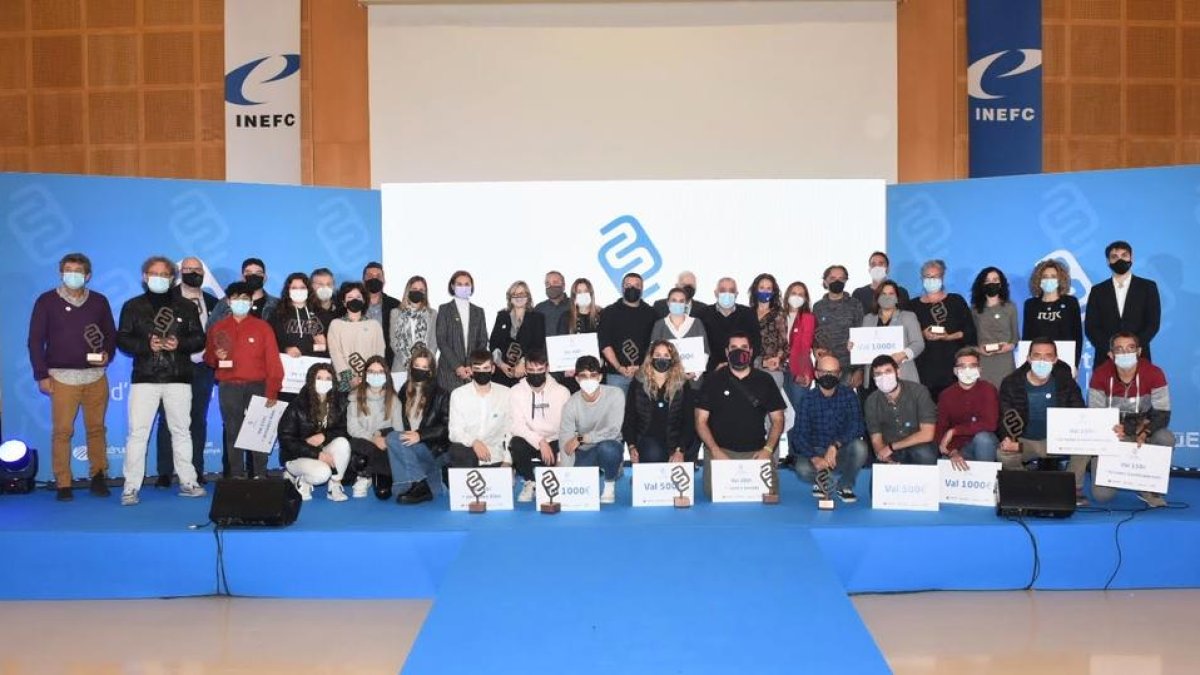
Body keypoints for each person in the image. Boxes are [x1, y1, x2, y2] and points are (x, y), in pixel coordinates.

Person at [115, 256, 207, 505]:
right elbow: (122, 339)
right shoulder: (132, 306)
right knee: (137, 434)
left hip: (179, 376)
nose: (159, 278)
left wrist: (181, 344)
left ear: (172, 278)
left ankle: (188, 481)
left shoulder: (187, 307)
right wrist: (146, 345)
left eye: (164, 274)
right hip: (144, 377)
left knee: (181, 432)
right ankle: (130, 487)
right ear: (145, 277)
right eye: (153, 273)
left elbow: (200, 339)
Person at [28, 252, 117, 501]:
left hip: (95, 376)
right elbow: (35, 341)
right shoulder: (46, 301)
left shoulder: (99, 301)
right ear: (61, 273)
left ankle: (98, 476)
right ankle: (63, 482)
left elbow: (110, 334)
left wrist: (107, 353)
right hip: (62, 377)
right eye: (68, 270)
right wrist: (41, 375)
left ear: (87, 275)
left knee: (97, 429)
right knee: (62, 431)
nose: (73, 275)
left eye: (78, 271)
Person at [1071, 332, 1171, 507]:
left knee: (1165, 437)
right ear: (1111, 354)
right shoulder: (1100, 375)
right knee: (1102, 496)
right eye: (1119, 349)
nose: (1125, 353)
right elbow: (1096, 414)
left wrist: (1144, 430)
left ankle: (1151, 489)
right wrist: (1122, 429)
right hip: (1114, 433)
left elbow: (1162, 412)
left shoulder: (1155, 373)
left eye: (1130, 348)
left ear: (1139, 351)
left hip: (1143, 432)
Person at [205, 282, 284, 480]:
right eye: (236, 298)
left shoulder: (262, 327)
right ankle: (237, 475)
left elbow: (273, 360)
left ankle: (260, 473)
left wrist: (273, 389)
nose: (241, 302)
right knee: (233, 432)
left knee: (258, 433)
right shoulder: (218, 327)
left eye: (245, 299)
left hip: (258, 385)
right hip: (229, 386)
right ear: (228, 301)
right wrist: (215, 356)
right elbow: (208, 358)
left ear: (250, 302)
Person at [154, 255, 219, 487]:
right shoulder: (166, 299)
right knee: (167, 419)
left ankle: (196, 469)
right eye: (189, 269)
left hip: (203, 368)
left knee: (197, 419)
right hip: (172, 366)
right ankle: (164, 471)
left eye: (198, 269)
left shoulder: (213, 302)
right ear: (180, 272)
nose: (194, 273)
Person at [697, 333, 787, 498]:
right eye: (734, 348)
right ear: (726, 352)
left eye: (744, 348)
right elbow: (700, 421)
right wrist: (715, 450)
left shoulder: (765, 380)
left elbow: (778, 419)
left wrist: (767, 450)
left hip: (756, 453)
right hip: (720, 451)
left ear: (751, 352)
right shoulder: (712, 380)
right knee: (714, 495)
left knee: (770, 494)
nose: (739, 351)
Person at [997, 338, 1084, 475]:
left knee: (1085, 444)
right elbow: (1005, 416)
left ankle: (1074, 488)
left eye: (1048, 356)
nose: (1042, 361)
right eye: (1037, 356)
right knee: (1004, 454)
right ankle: (1025, 480)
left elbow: (1080, 413)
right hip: (1023, 442)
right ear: (1029, 359)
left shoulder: (1066, 383)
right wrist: (1007, 438)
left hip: (1059, 442)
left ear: (1055, 360)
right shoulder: (1011, 383)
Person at [789, 355, 868, 502]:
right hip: (815, 451)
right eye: (824, 372)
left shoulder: (849, 395)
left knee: (860, 447)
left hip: (840, 451)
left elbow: (857, 426)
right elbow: (799, 436)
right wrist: (815, 458)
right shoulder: (807, 399)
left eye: (832, 372)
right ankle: (823, 480)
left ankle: (845, 485)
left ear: (839, 374)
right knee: (802, 469)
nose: (828, 376)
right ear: (817, 373)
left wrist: (835, 445)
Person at [278, 362, 351, 501]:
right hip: (296, 456)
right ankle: (301, 479)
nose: (324, 382)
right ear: (311, 380)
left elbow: (345, 430)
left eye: (328, 379)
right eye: (319, 378)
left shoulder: (339, 402)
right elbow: (286, 439)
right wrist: (316, 454)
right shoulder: (296, 405)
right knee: (322, 473)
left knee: (342, 443)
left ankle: (335, 484)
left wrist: (325, 436)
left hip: (323, 450)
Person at [388, 346, 451, 504]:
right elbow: (397, 420)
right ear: (411, 368)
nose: (420, 370)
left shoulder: (442, 394)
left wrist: (420, 435)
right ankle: (423, 483)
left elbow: (447, 428)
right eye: (417, 366)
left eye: (424, 367)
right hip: (409, 448)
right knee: (392, 438)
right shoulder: (404, 390)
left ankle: (419, 483)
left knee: (393, 438)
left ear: (431, 371)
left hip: (431, 449)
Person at [559, 356, 626, 504]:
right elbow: (566, 440)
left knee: (609, 449)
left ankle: (610, 482)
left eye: (593, 375)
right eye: (584, 376)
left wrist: (581, 438)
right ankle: (597, 471)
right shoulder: (570, 404)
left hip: (608, 445)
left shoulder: (616, 394)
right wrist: (566, 476)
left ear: (600, 377)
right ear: (576, 379)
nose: (589, 380)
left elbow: (613, 431)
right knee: (576, 473)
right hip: (585, 452)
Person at [1085, 241, 1161, 366]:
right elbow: (1091, 326)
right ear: (1108, 262)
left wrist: (1135, 347)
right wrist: (1110, 349)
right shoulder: (1098, 290)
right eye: (1114, 257)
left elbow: (1153, 323)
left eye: (1124, 255)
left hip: (1139, 355)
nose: (1120, 260)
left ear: (1132, 258)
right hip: (1106, 357)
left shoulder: (1148, 287)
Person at [508, 350, 571, 502]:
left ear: (547, 369)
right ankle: (530, 482)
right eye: (531, 370)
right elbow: (516, 425)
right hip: (530, 440)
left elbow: (567, 427)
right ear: (525, 370)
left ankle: (551, 478)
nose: (535, 374)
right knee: (516, 443)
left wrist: (561, 456)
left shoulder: (562, 392)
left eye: (539, 370)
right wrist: (540, 441)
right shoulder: (516, 391)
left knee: (566, 447)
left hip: (554, 440)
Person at [910, 259, 975, 402]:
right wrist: (922, 334)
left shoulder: (956, 301)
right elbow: (907, 335)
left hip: (952, 368)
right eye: (928, 276)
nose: (931, 280)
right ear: (922, 278)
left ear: (943, 278)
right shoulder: (913, 305)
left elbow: (969, 331)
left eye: (935, 276)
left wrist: (948, 337)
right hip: (923, 369)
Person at [623, 341, 697, 463]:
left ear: (673, 359)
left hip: (675, 440)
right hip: (647, 438)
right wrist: (631, 446)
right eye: (657, 355)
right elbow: (630, 417)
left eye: (666, 355)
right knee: (654, 453)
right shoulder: (638, 382)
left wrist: (680, 450)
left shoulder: (683, 384)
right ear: (650, 357)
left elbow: (688, 420)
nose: (661, 359)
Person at [864, 355, 938, 465]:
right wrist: (886, 459)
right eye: (878, 374)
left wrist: (892, 447)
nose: (884, 377)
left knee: (924, 454)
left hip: (918, 445)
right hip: (890, 450)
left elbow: (927, 434)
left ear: (898, 372)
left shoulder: (919, 392)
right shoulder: (871, 401)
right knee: (879, 471)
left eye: (888, 371)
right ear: (874, 379)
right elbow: (876, 439)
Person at [346, 356, 401, 500]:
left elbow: (398, 429)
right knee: (366, 448)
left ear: (386, 375)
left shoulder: (394, 399)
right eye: (371, 372)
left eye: (379, 372)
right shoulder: (355, 397)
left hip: (384, 441)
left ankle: (370, 474)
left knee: (383, 494)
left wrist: (381, 436)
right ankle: (365, 475)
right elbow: (352, 428)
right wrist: (373, 438)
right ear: (365, 375)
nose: (375, 376)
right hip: (362, 441)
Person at [934, 348, 1000, 468]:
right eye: (962, 366)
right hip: (957, 447)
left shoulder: (988, 389)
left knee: (983, 439)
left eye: (972, 366)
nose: (968, 370)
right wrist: (953, 452)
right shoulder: (946, 395)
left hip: (986, 444)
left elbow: (990, 424)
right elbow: (941, 428)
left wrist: (954, 431)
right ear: (955, 371)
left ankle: (986, 482)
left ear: (980, 370)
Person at [447, 350, 511, 468]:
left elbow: (510, 430)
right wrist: (474, 442)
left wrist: (508, 461)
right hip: (468, 453)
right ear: (470, 371)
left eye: (486, 368)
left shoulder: (506, 393)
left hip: (497, 456)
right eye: (477, 368)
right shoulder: (458, 395)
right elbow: (454, 432)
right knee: (457, 450)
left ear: (493, 369)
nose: (482, 372)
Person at [598, 272, 657, 393]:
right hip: (615, 375)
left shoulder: (652, 314)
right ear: (622, 288)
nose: (632, 288)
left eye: (637, 285)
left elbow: (654, 345)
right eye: (628, 285)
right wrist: (619, 367)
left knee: (643, 411)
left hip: (644, 375)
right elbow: (604, 343)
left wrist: (641, 367)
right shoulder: (609, 312)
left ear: (642, 289)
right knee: (616, 411)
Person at [858, 281, 924, 388]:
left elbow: (918, 344)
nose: (887, 297)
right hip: (874, 378)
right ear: (877, 297)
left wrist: (903, 354)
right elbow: (862, 345)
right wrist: (854, 345)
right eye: (883, 294)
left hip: (902, 375)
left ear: (897, 298)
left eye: (891, 294)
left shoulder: (908, 316)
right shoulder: (868, 319)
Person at [1021, 259, 1082, 368]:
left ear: (1060, 279)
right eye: (1045, 277)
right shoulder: (1031, 305)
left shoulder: (1070, 302)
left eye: (1053, 276)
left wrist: (1075, 365)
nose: (1049, 280)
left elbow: (1077, 336)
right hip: (1038, 362)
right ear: (1039, 280)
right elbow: (1027, 337)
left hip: (1065, 359)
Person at [435, 270, 488, 392]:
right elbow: (441, 340)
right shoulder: (444, 310)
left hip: (473, 371)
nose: (463, 287)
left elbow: (483, 340)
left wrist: (471, 365)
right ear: (453, 286)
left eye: (467, 284)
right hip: (449, 371)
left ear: (471, 286)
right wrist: (457, 367)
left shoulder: (479, 312)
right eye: (459, 284)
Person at [327, 282, 386, 392]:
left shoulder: (374, 325)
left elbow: (379, 353)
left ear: (363, 301)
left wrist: (369, 374)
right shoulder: (336, 324)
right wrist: (349, 378)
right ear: (344, 302)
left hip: (370, 379)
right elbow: (335, 353)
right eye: (350, 297)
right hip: (344, 381)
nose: (354, 300)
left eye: (358, 297)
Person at [812, 265, 864, 387]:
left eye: (841, 278)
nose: (837, 281)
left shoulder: (855, 304)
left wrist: (860, 370)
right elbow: (814, 335)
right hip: (825, 367)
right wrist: (815, 350)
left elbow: (862, 336)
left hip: (848, 369)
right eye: (832, 278)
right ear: (825, 281)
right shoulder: (818, 307)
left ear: (846, 280)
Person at [489, 280, 547, 387]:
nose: (518, 297)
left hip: (525, 372)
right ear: (510, 298)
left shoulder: (537, 318)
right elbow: (493, 343)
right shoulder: (502, 316)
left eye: (522, 294)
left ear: (528, 297)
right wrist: (501, 365)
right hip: (501, 373)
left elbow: (538, 345)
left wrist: (523, 363)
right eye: (515, 294)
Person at [969, 267, 1018, 388]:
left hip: (1005, 359)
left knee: (1006, 393)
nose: (992, 283)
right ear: (982, 284)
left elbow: (1015, 338)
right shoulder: (974, 310)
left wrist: (1009, 346)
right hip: (983, 360)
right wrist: (978, 349)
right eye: (988, 280)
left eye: (995, 279)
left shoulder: (1010, 307)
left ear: (1001, 283)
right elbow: (970, 338)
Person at [701, 277, 761, 372]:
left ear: (736, 294)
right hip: (711, 369)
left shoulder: (748, 314)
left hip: (742, 367)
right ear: (716, 293)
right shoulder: (703, 314)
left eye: (731, 291)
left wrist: (738, 364)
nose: (727, 294)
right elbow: (701, 347)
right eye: (723, 290)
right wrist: (713, 367)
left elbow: (756, 344)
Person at [649, 287, 709, 380]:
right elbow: (653, 352)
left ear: (686, 304)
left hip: (692, 381)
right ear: (668, 303)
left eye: (681, 301)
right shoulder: (659, 325)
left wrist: (695, 373)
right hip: (666, 379)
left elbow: (705, 351)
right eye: (674, 300)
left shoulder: (696, 323)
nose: (677, 303)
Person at [557, 277, 603, 391]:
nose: (582, 295)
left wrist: (603, 360)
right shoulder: (566, 317)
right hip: (573, 373)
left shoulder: (602, 315)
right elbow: (560, 344)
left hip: (596, 372)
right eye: (579, 292)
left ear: (591, 294)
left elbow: (606, 342)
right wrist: (565, 366)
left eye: (586, 291)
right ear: (573, 296)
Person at [269, 272, 327, 362]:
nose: (298, 291)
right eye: (294, 288)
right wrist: (286, 349)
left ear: (308, 290)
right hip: (285, 364)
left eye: (302, 288)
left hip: (316, 367)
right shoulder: (277, 314)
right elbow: (270, 343)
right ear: (288, 291)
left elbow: (324, 347)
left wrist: (303, 349)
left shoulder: (321, 314)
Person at [389, 275, 438, 374]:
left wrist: (424, 363)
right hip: (400, 367)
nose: (417, 291)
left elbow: (433, 342)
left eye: (421, 290)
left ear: (425, 293)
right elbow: (394, 342)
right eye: (414, 289)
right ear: (408, 290)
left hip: (424, 368)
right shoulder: (395, 313)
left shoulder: (432, 314)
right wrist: (409, 363)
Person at [210, 257, 278, 323]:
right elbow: (211, 328)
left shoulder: (277, 305)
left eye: (258, 273)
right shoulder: (224, 304)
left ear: (265, 278)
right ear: (242, 277)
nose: (253, 276)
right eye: (249, 273)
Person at [751, 273, 789, 388]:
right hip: (749, 367)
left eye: (768, 288)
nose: (765, 291)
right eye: (761, 288)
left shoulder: (779, 314)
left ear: (773, 292)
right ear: (755, 290)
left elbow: (784, 345)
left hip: (771, 368)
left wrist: (777, 359)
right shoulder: (747, 313)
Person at [784, 281, 816, 413]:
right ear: (787, 295)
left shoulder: (807, 318)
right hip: (780, 370)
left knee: (800, 411)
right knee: (786, 414)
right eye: (794, 293)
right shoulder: (778, 316)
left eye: (801, 294)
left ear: (805, 299)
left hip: (798, 370)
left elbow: (805, 347)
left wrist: (803, 372)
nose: (796, 297)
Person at [362, 262, 402, 365]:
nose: (374, 279)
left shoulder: (395, 305)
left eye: (378, 276)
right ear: (363, 280)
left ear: (384, 280)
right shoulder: (354, 304)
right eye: (370, 276)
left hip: (387, 362)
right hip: (359, 360)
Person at [852, 251, 911, 315]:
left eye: (881, 264)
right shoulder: (859, 294)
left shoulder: (901, 292)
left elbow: (905, 318)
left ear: (887, 269)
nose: (877, 267)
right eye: (873, 264)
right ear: (869, 269)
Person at [534, 270, 570, 338]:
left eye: (555, 282)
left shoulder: (574, 305)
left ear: (564, 285)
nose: (551, 286)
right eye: (547, 283)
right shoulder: (539, 308)